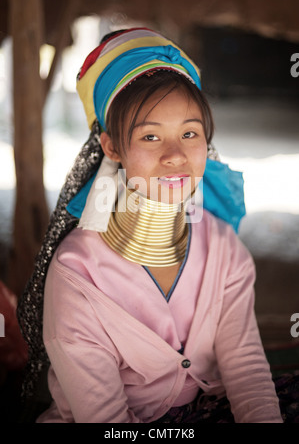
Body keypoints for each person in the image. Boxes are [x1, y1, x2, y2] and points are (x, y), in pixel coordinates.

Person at [17, 27, 284, 423]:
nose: (176, 155)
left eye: (189, 133)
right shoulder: (78, 274)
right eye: (151, 136)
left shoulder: (223, 247)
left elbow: (244, 367)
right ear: (111, 147)